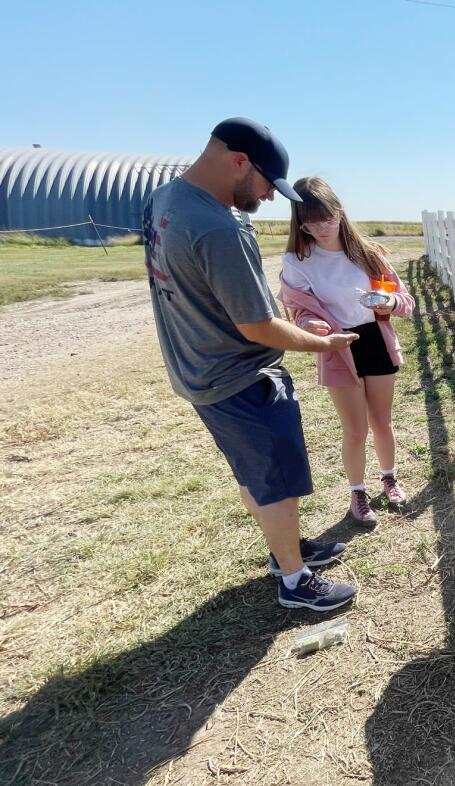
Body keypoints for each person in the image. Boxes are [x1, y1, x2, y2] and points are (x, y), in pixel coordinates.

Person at [143, 117, 358, 612]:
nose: (267, 199)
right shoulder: (217, 226)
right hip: (241, 375)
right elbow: (257, 326)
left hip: (199, 370)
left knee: (254, 473)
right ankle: (294, 579)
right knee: (275, 478)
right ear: (239, 162)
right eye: (266, 185)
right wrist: (321, 344)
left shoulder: (164, 201)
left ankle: (286, 552)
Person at [278, 176, 415, 525]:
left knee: (382, 421)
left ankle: (389, 479)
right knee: (355, 429)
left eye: (326, 218)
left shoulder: (369, 255)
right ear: (300, 223)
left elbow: (405, 303)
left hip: (375, 340)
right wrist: (308, 325)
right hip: (338, 347)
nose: (320, 228)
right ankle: (357, 492)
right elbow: (298, 310)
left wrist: (386, 301)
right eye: (310, 222)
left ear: (340, 213)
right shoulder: (297, 260)